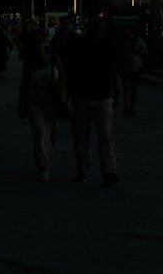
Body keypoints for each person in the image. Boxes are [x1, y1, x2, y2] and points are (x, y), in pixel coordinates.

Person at [60, 15, 123, 187]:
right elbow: (71, 72)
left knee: (102, 135)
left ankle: (108, 170)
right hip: (84, 96)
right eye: (97, 28)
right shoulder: (80, 46)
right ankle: (85, 168)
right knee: (84, 136)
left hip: (99, 95)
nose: (99, 31)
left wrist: (116, 90)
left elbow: (113, 69)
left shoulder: (105, 45)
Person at [17, 32, 67, 181]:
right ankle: (43, 165)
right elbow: (24, 84)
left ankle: (47, 154)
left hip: (51, 98)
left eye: (41, 41)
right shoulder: (29, 63)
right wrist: (21, 104)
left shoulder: (54, 60)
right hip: (35, 99)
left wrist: (58, 85)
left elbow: (64, 78)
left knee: (50, 131)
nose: (39, 44)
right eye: (36, 42)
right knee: (39, 132)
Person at [121, 28, 148, 116]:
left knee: (133, 88)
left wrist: (138, 50)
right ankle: (128, 107)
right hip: (125, 67)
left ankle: (131, 106)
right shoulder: (123, 41)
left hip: (135, 67)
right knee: (127, 87)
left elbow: (145, 51)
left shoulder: (138, 40)